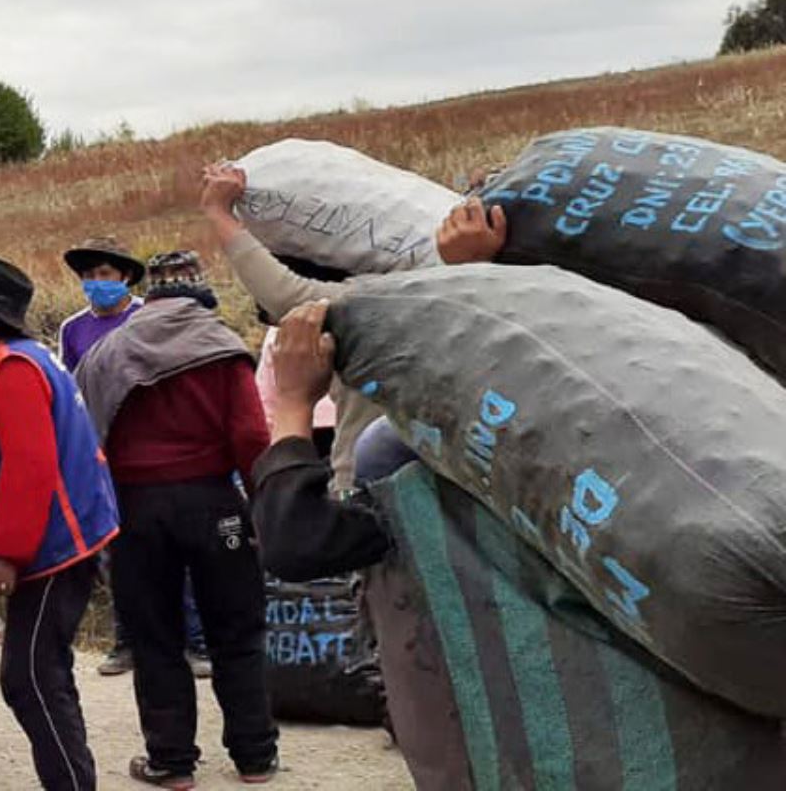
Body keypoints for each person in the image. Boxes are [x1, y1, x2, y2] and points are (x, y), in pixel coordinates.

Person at [250, 303, 786, 788]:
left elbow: (295, 540)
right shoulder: (668, 464)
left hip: (537, 752)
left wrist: (295, 402)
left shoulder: (420, 465)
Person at [75, 252, 278, 788]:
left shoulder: (107, 352)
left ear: (152, 299)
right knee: (236, 629)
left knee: (154, 635)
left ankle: (172, 762)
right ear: (202, 297)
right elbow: (252, 439)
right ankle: (255, 756)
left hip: (137, 509)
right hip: (214, 505)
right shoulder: (224, 348)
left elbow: (87, 440)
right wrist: (262, 507)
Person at [0, 256, 119, 791]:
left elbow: (30, 468)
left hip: (57, 546)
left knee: (28, 678)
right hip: (62, 537)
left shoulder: (13, 370)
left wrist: (3, 552)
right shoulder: (18, 363)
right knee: (43, 673)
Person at [200, 162, 507, 491]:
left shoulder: (391, 304)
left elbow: (285, 293)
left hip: (374, 492)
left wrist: (219, 214)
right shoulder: (518, 297)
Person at [58, 237, 146, 375]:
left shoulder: (149, 313)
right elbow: (69, 382)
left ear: (126, 276)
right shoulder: (71, 328)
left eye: (105, 273)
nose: (97, 281)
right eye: (89, 275)